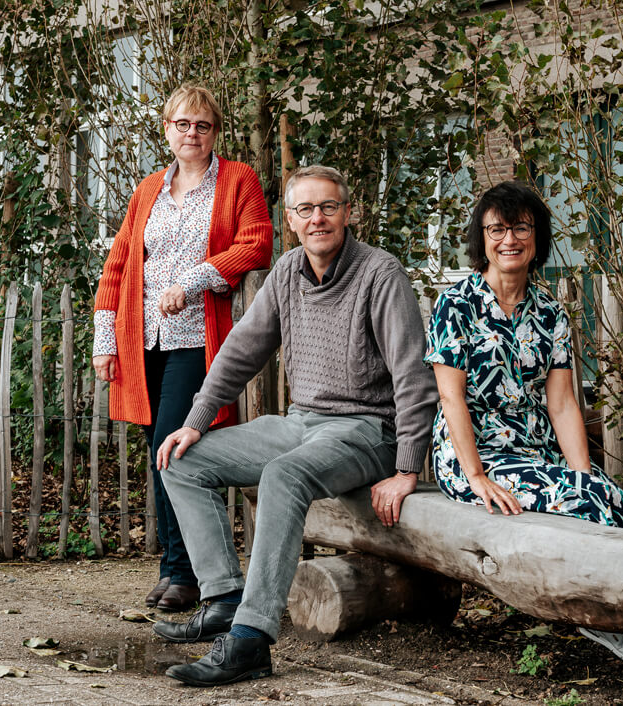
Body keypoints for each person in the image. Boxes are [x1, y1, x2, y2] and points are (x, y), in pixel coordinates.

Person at [150, 165, 438, 687]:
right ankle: (225, 599)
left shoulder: (380, 273)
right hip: (301, 422)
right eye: (305, 209)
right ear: (291, 220)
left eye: (328, 206)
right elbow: (240, 351)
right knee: (180, 459)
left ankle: (250, 640)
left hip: (367, 429)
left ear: (349, 212)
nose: (318, 218)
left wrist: (406, 467)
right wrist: (194, 422)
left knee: (283, 475)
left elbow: (413, 376)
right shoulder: (286, 272)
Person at [425, 181, 623, 665]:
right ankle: (600, 620)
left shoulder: (551, 311)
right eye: (496, 229)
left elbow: (561, 405)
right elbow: (450, 397)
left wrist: (582, 472)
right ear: (482, 237)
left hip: (533, 452)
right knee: (588, 501)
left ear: (536, 237)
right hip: (476, 457)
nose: (508, 239)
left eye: (520, 227)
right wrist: (476, 478)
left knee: (616, 501)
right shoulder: (457, 304)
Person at [91, 84, 273, 613]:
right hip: (143, 337)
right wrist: (107, 343)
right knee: (159, 452)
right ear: (166, 129)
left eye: (203, 125)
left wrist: (192, 281)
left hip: (199, 336)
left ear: (215, 131)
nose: (192, 133)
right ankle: (177, 566)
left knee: (178, 447)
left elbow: (256, 241)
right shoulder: (148, 188)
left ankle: (190, 572)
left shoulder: (238, 179)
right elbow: (119, 265)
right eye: (182, 124)